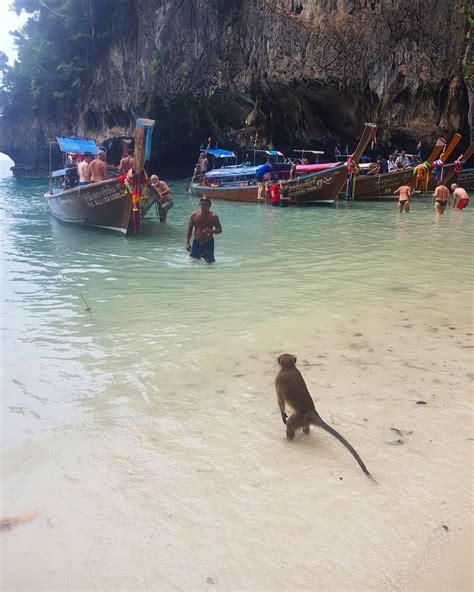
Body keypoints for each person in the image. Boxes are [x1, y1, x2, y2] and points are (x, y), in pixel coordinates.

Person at [185, 196, 222, 263]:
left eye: (206, 205)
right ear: (199, 205)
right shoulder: (194, 215)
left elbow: (219, 230)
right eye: (202, 205)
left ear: (210, 206)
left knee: (210, 264)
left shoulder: (213, 217)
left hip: (208, 242)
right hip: (196, 242)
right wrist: (187, 242)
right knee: (193, 262)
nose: (204, 207)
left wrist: (211, 231)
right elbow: (190, 229)